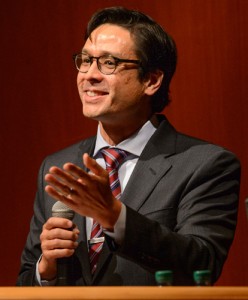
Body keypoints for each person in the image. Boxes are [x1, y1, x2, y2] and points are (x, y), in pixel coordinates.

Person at [17, 6, 241, 286]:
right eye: (85, 60)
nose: (89, 74)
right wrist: (46, 268)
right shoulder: (57, 166)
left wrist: (115, 217)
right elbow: (26, 280)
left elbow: (201, 262)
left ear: (152, 80)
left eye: (109, 63)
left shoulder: (206, 164)